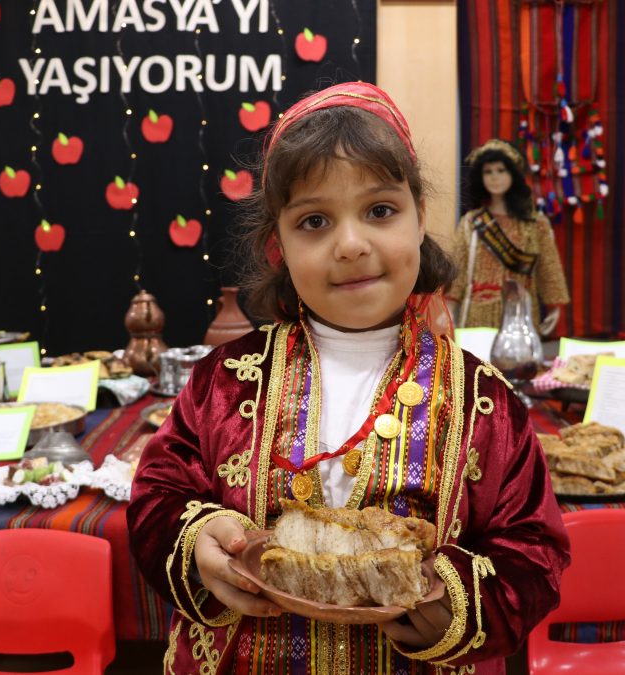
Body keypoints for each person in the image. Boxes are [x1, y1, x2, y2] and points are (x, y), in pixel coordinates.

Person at [127, 82, 569, 674]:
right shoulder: (224, 383)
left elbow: (534, 553)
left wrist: (454, 599)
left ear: (419, 221)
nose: (352, 244)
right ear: (277, 246)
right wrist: (199, 543)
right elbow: (157, 496)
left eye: (380, 211)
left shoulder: (484, 403)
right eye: (314, 220)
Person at [448, 139, 570, 336]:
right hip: (478, 315)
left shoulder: (535, 224)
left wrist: (555, 305)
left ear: (513, 174)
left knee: (519, 365)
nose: (494, 177)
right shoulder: (471, 223)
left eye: (501, 170)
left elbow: (549, 268)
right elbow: (458, 268)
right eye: (488, 172)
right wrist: (449, 307)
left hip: (521, 313)